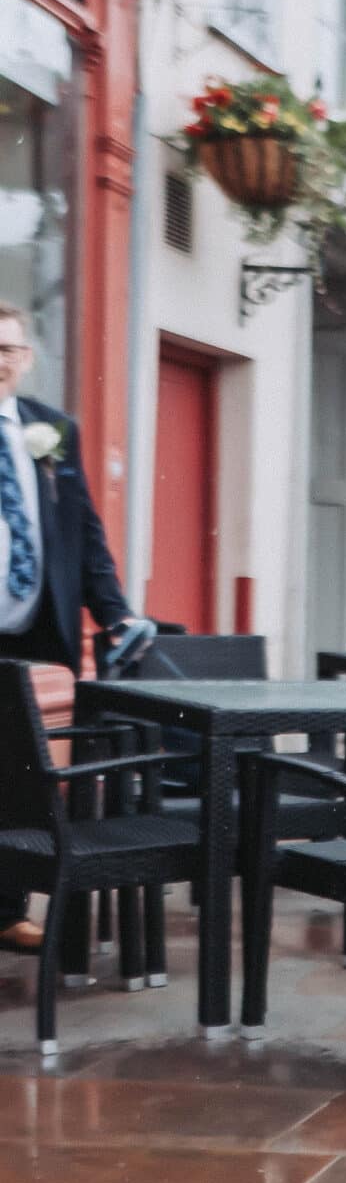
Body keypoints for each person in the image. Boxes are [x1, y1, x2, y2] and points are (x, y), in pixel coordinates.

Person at [0, 302, 151, 953]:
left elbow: (85, 531)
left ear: (26, 357)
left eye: (9, 348)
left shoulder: (50, 429)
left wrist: (113, 610)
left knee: (17, 774)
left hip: (32, 634)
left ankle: (4, 911)